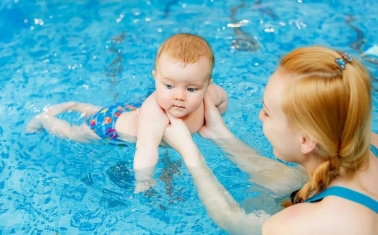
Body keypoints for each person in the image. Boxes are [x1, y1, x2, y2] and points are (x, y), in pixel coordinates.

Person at [162, 46, 378, 234]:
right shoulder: (360, 136)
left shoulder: (309, 222)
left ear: (305, 140)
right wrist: (221, 135)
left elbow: (234, 221)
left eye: (267, 112)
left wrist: (189, 153)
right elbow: (294, 181)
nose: (260, 116)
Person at [26, 33, 228, 191]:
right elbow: (146, 149)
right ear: (155, 79)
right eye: (169, 86)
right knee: (74, 133)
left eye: (191, 89)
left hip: (129, 111)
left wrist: (215, 116)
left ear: (207, 85)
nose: (179, 96)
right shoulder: (155, 113)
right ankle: (45, 120)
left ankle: (83, 108)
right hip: (109, 127)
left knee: (105, 112)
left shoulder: (210, 95)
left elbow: (223, 99)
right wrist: (144, 179)